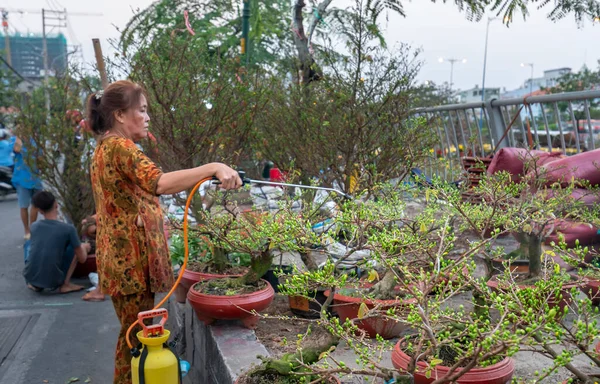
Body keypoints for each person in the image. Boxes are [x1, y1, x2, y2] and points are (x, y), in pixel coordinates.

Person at [87, 80, 242, 384]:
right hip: (128, 262)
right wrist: (214, 166)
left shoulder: (108, 146)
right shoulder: (119, 147)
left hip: (124, 260)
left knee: (133, 335)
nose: (147, 117)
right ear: (120, 114)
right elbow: (159, 183)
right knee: (133, 339)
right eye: (141, 111)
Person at [23, 191, 91, 293]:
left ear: (40, 211)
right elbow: (82, 258)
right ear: (56, 204)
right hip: (54, 280)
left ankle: (35, 283)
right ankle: (65, 284)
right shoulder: (68, 228)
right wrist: (85, 247)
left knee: (29, 244)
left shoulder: (34, 226)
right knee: (77, 247)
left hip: (29, 278)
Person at [12, 134, 43, 239]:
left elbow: (41, 157)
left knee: (36, 204)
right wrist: (19, 137)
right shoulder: (16, 140)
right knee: (24, 205)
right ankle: (26, 230)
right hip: (22, 178)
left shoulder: (36, 139)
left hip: (35, 177)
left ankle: (31, 228)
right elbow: (16, 149)